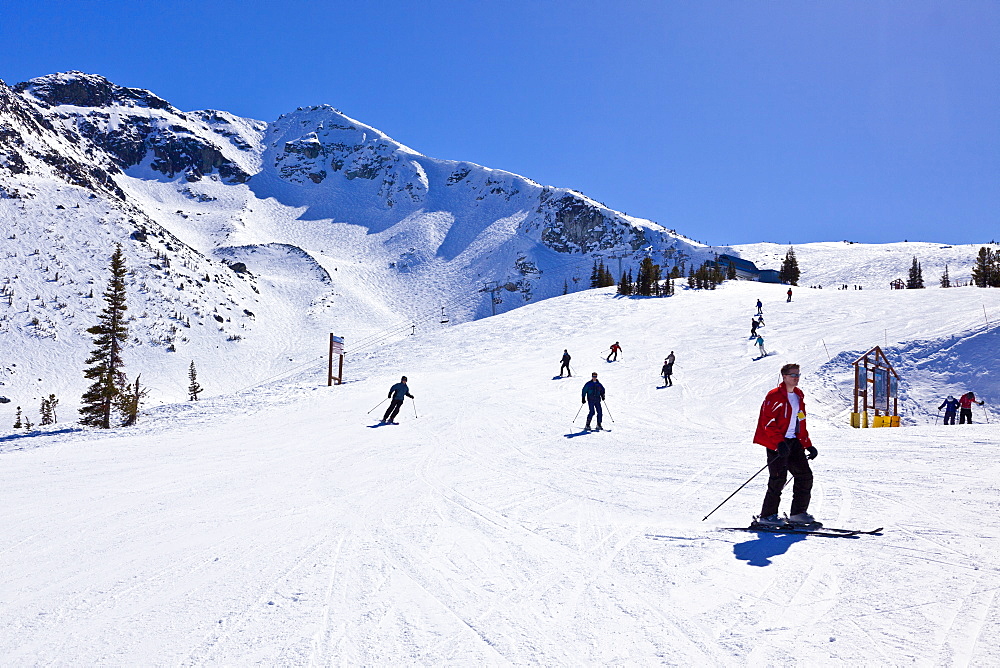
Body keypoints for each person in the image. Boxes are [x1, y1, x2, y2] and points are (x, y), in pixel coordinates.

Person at [753, 363, 818, 526]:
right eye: (793, 375)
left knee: (804, 476)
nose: (796, 378)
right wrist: (778, 443)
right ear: (784, 376)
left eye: (798, 375)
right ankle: (767, 516)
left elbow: (800, 421)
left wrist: (807, 444)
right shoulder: (774, 396)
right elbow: (767, 422)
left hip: (794, 442)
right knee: (778, 479)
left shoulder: (798, 395)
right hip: (777, 443)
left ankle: (798, 513)